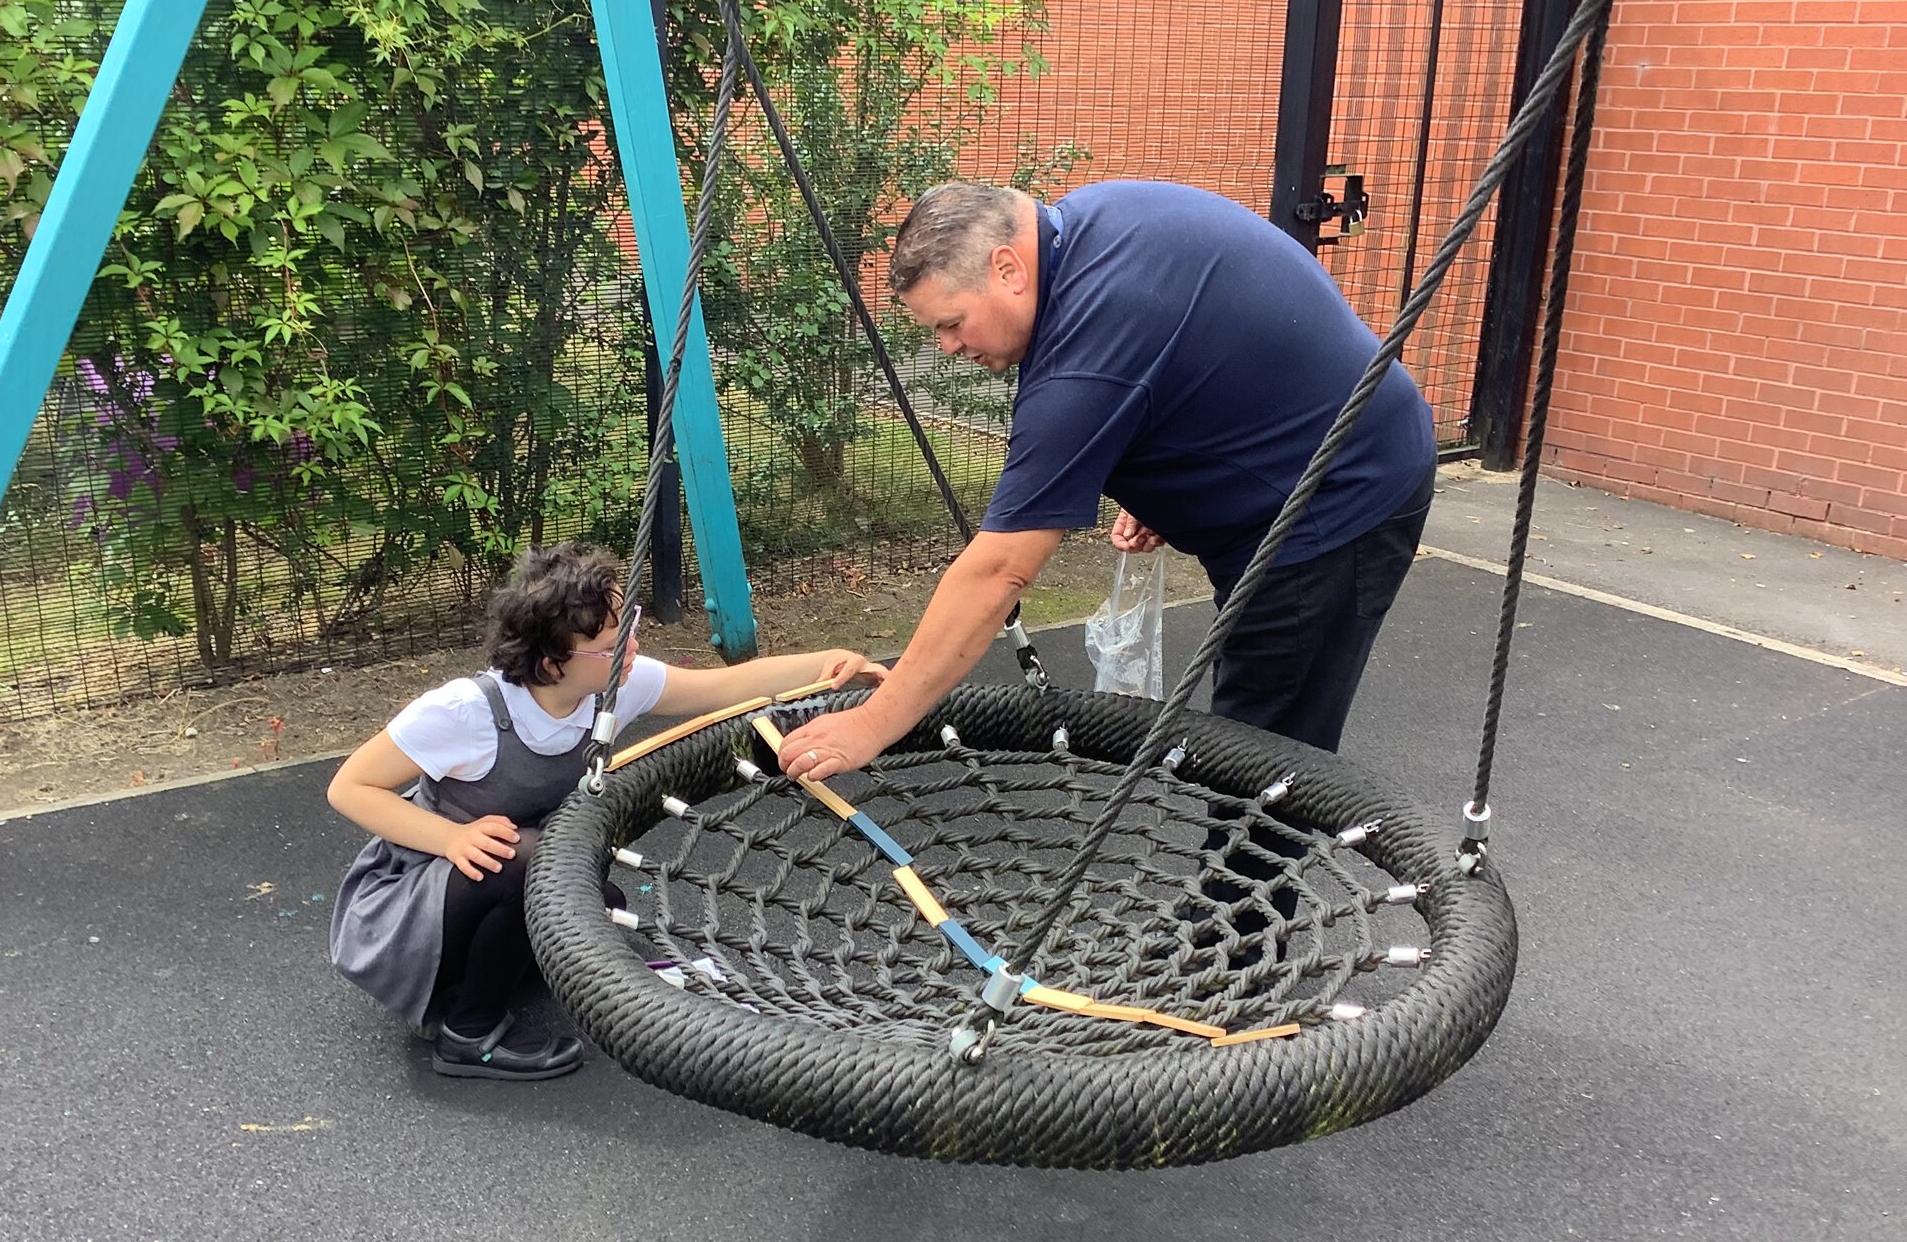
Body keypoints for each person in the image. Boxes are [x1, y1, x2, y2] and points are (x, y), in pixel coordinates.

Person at [774, 179, 1438, 788]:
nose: (946, 346)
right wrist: (1170, 488)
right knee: (1256, 733)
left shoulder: (1085, 356)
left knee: (1265, 755)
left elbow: (999, 570)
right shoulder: (1089, 224)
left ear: (1007, 268)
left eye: (951, 323)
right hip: (1315, 444)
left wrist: (873, 722)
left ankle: (1244, 912)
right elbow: (1192, 348)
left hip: (1341, 499)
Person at [328, 543, 886, 1081]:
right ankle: (468, 1032)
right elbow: (350, 788)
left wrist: (830, 663)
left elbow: (719, 687)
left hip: (506, 865)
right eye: (612, 645)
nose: (632, 651)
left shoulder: (608, 686)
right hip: (414, 896)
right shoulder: (466, 712)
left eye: (632, 629)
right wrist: (450, 838)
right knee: (539, 866)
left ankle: (504, 957)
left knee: (585, 890)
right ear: (552, 664)